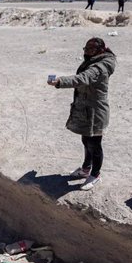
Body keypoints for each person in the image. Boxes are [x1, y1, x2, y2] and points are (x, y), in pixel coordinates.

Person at [48, 37, 117, 190]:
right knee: (86, 141)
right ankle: (86, 169)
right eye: (85, 49)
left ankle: (95, 174)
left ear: (100, 51)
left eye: (90, 49)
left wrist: (60, 82)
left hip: (96, 112)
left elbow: (82, 79)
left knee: (95, 144)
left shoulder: (100, 67)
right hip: (87, 110)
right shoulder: (94, 60)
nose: (87, 52)